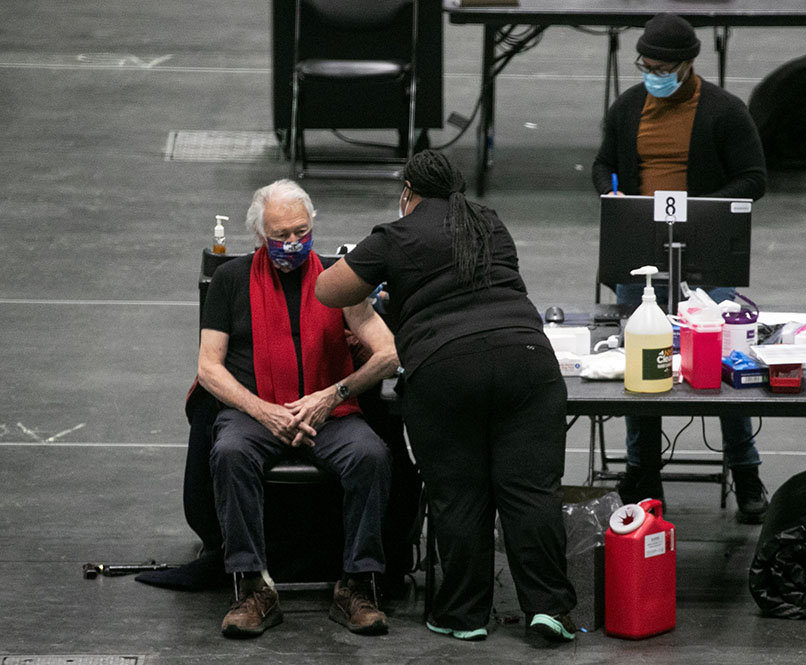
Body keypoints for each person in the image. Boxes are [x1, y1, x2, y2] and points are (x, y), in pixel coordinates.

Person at [315, 150, 578, 644]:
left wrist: (380, 288)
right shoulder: (488, 222)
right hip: (527, 359)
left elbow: (329, 290)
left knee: (459, 494)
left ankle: (463, 615)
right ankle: (550, 610)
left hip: (446, 368)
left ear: (408, 192)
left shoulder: (394, 235)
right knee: (532, 493)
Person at [197, 179, 399, 638]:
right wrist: (263, 411)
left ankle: (357, 584)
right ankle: (252, 587)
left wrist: (333, 396)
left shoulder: (339, 279)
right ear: (259, 237)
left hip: (326, 413)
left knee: (371, 456)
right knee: (229, 454)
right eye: (280, 235)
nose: (292, 243)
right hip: (255, 414)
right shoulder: (230, 281)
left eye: (300, 231)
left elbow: (388, 352)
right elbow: (209, 368)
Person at [591, 13, 769, 524]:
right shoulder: (628, 107)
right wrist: (613, 192)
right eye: (644, 65)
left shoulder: (724, 112)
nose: (651, 73)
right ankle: (642, 476)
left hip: (705, 252)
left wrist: (697, 205)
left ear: (687, 64)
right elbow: (604, 163)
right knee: (638, 368)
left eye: (660, 66)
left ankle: (747, 474)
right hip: (639, 250)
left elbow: (754, 179)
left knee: (721, 367)